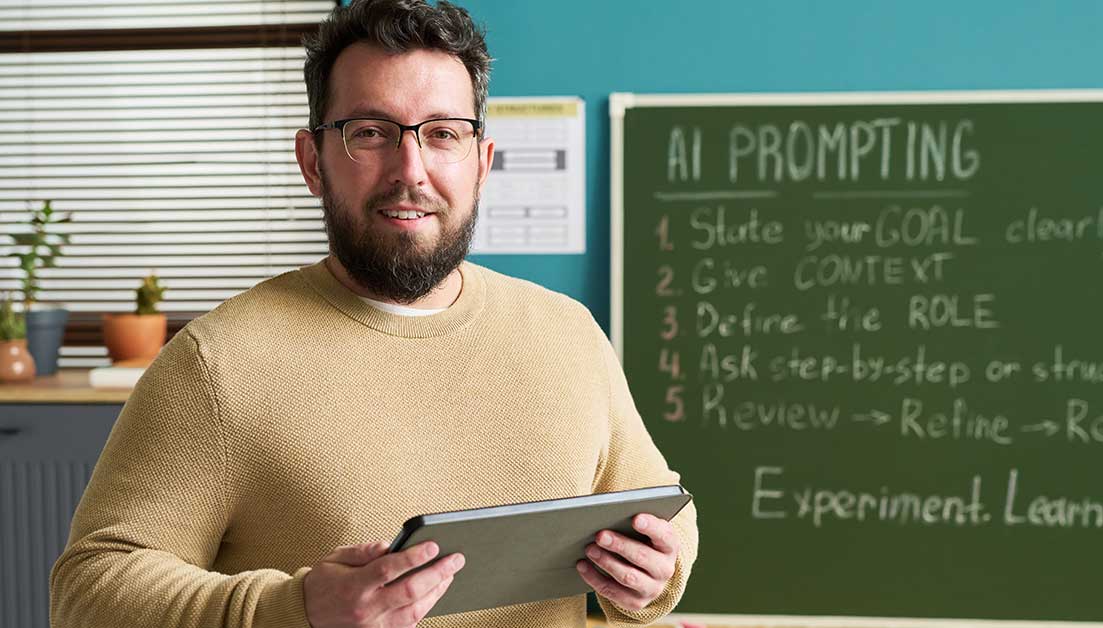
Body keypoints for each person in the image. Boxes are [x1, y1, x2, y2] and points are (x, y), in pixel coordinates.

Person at [49, 1, 699, 627]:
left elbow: (663, 512)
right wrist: (295, 611)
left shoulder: (567, 333)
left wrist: (656, 572)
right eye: (370, 133)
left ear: (483, 161)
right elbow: (89, 590)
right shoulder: (216, 361)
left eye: (442, 133)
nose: (409, 169)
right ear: (313, 162)